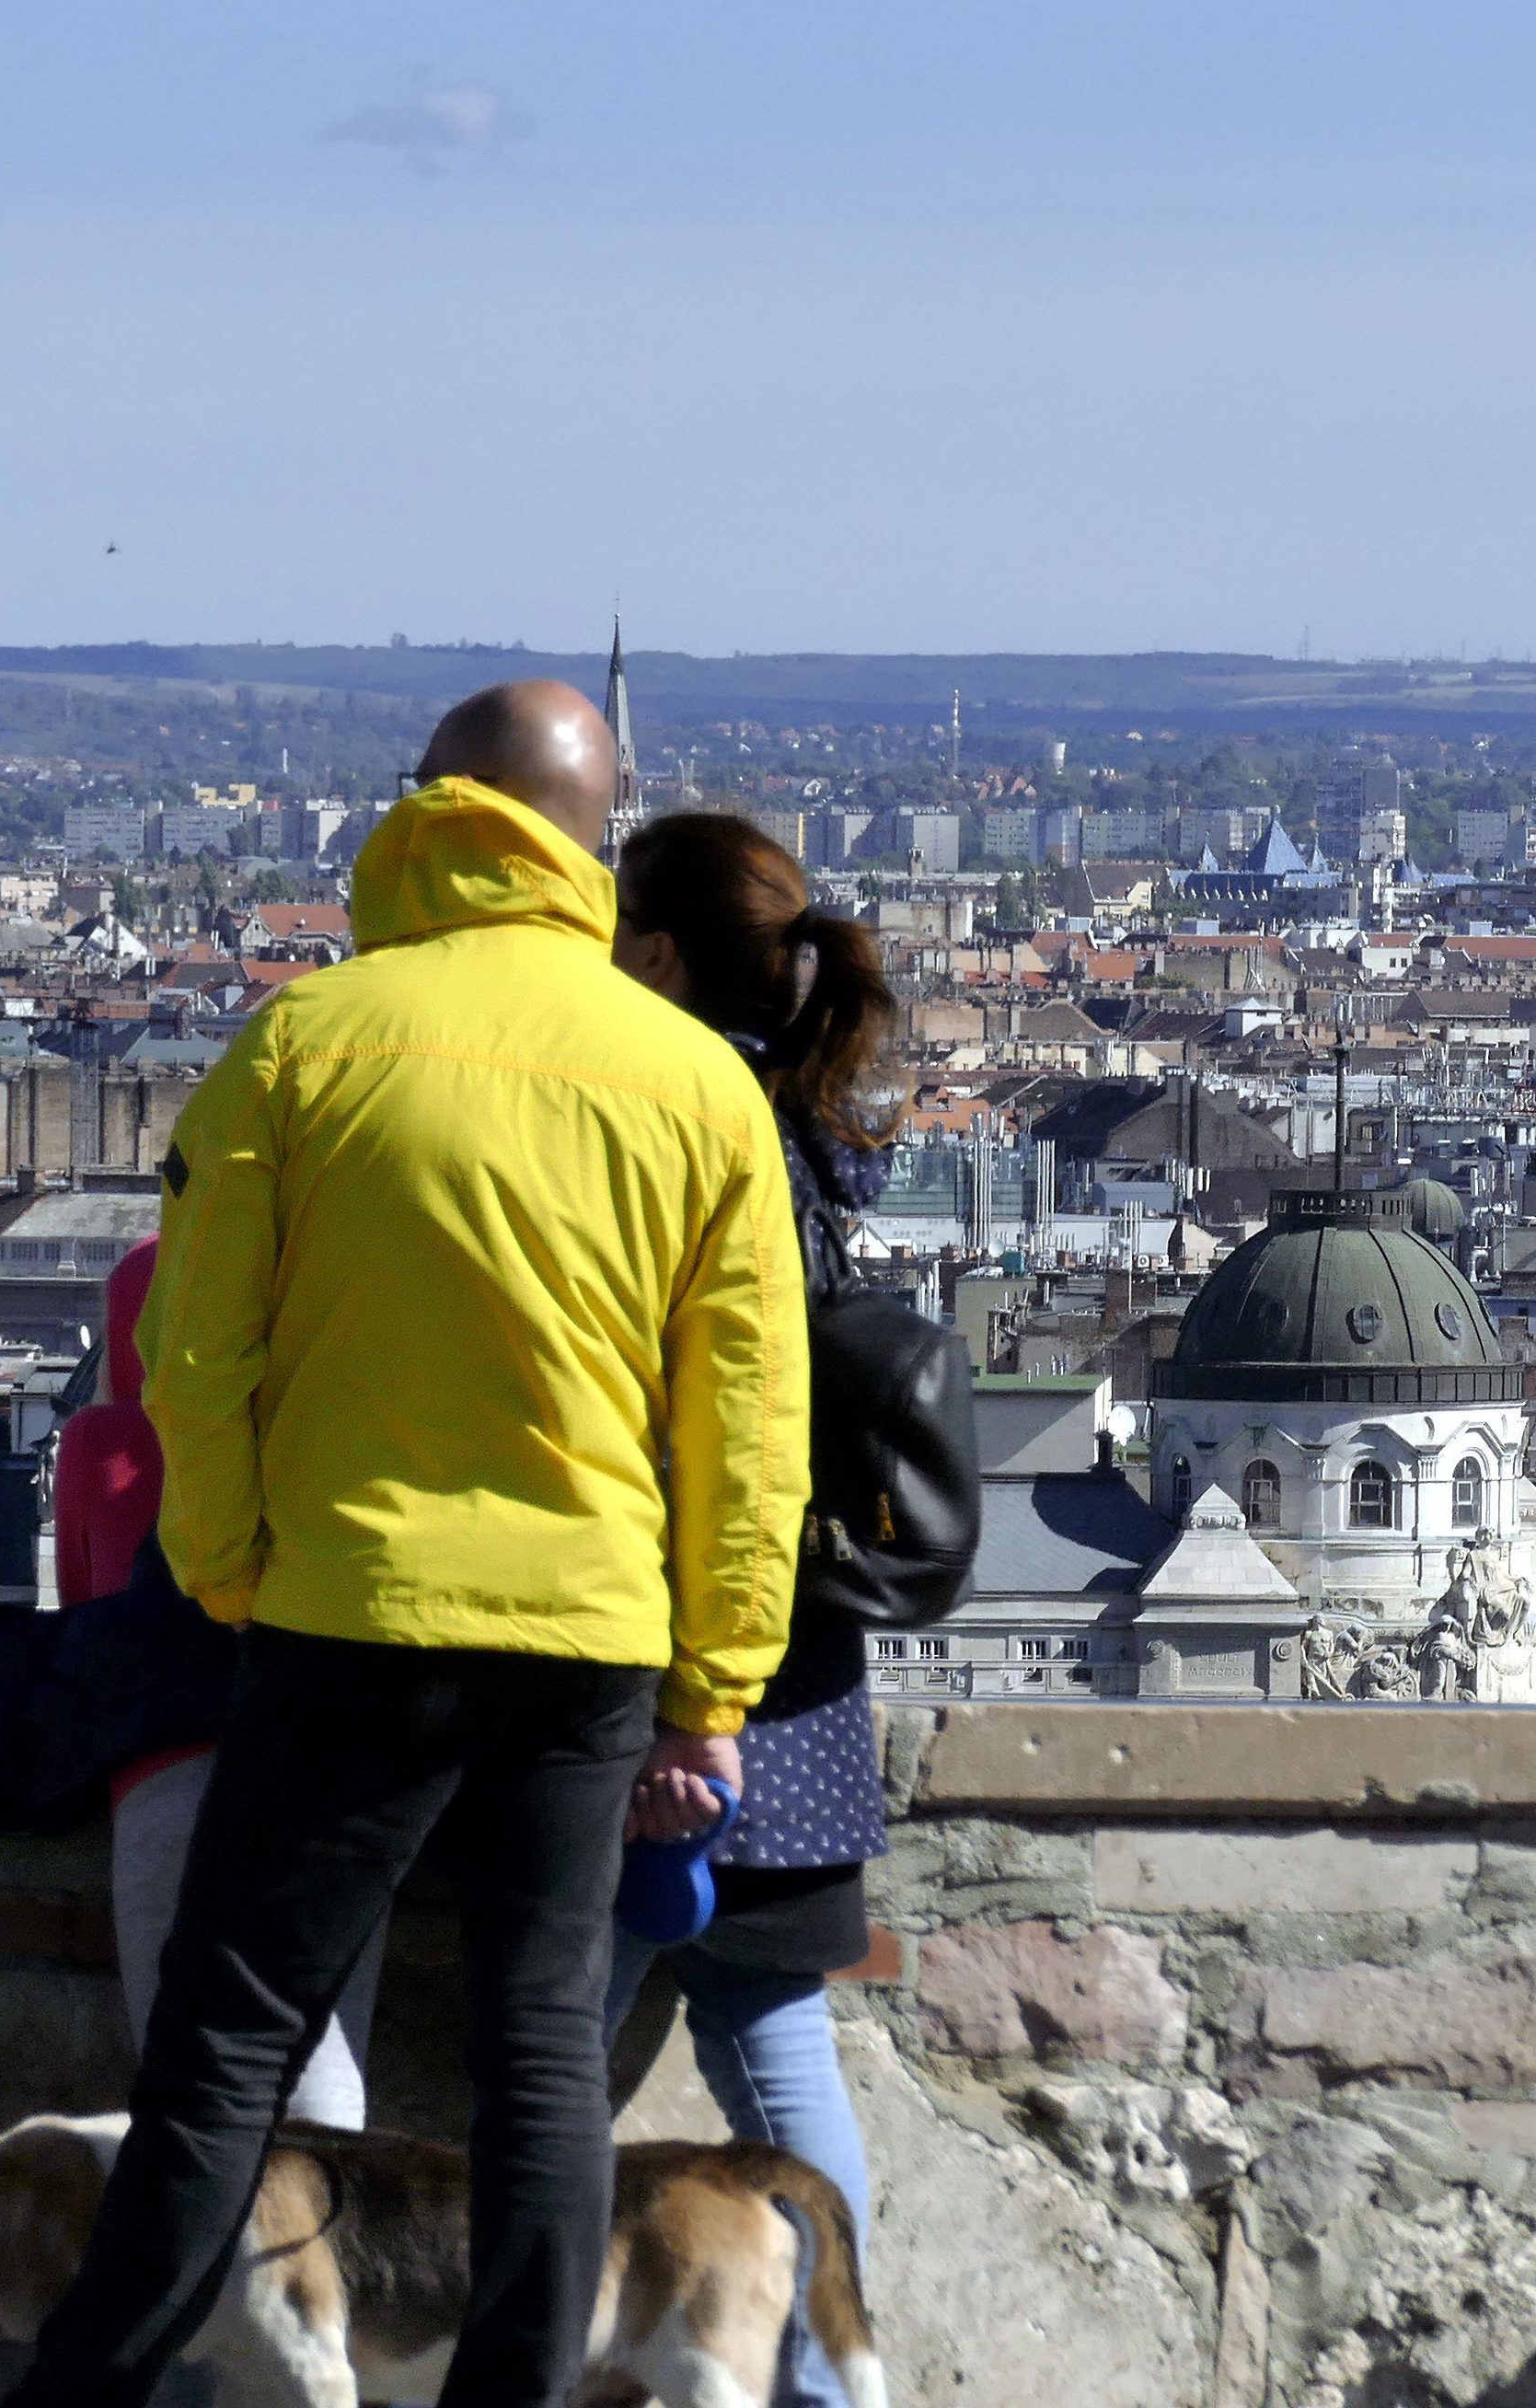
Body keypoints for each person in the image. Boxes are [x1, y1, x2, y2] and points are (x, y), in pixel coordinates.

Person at [12, 682, 810, 2408]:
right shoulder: (692, 1085)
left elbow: (190, 1358)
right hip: (586, 1639)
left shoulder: (309, 1042)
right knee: (541, 2065)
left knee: (225, 2054)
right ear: (588, 845)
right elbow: (746, 1432)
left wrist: (231, 1570)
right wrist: (715, 1687)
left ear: (434, 811)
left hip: (347, 1611)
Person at [606, 807, 906, 2408]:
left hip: (677, 1665)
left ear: (654, 954)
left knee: (541, 2052)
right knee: (780, 2059)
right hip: (796, 1673)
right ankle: (840, 2387)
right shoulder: (806, 1134)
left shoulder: (683, 1123)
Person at [56, 1239, 377, 2122]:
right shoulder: (331, 1428)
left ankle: (221, 2256)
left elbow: (82, 1618)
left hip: (160, 1766)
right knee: (323, 2055)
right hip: (336, 1752)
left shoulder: (101, 1444)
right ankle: (320, 2246)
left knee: (181, 2075)